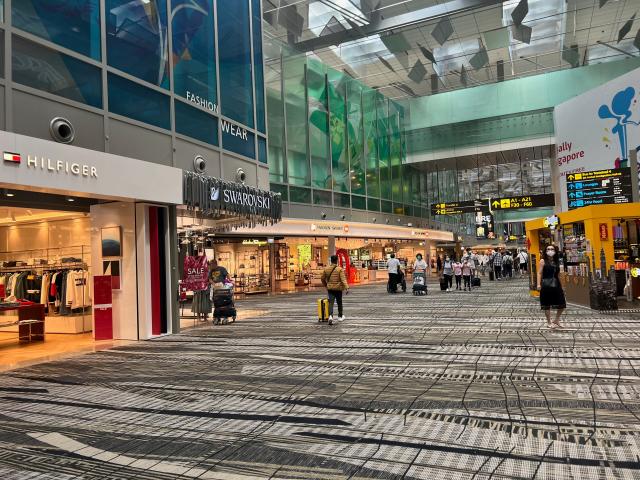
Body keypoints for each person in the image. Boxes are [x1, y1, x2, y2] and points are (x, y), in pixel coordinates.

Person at [537, 245, 566, 329]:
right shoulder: (543, 261)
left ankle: (556, 320)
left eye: (552, 249)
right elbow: (539, 273)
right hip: (546, 285)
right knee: (547, 304)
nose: (550, 250)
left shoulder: (557, 261)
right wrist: (538, 284)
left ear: (555, 251)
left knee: (562, 303)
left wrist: (563, 285)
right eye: (548, 249)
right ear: (545, 251)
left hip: (557, 284)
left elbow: (559, 274)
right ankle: (549, 322)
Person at [321, 254, 349, 325]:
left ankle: (330, 316)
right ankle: (340, 316)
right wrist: (346, 287)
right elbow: (343, 279)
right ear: (337, 261)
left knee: (331, 302)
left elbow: (322, 278)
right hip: (338, 288)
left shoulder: (326, 269)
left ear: (331, 260)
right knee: (339, 302)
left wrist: (326, 285)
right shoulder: (340, 269)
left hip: (330, 288)